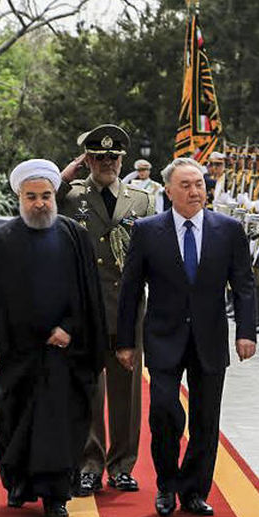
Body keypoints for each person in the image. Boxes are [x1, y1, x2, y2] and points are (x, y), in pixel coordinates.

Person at [0, 159, 108, 517]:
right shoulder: (1, 240)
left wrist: (70, 328)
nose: (40, 203)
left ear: (54, 196)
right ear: (19, 197)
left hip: (62, 351)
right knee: (12, 420)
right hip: (15, 353)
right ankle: (19, 484)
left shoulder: (73, 236)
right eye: (32, 197)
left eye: (46, 196)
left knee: (57, 425)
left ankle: (55, 495)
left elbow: (87, 292)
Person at [116, 157, 256, 517]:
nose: (195, 191)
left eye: (199, 184)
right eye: (186, 185)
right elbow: (131, 289)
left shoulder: (228, 229)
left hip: (209, 337)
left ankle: (194, 490)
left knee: (206, 420)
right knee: (164, 411)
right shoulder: (148, 230)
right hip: (163, 336)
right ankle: (166, 484)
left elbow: (243, 286)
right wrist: (125, 341)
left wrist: (246, 332)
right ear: (169, 191)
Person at [57, 124, 154, 497]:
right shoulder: (73, 196)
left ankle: (123, 465)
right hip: (87, 308)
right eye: (99, 157)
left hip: (128, 307)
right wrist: (68, 173)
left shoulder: (141, 199)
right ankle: (89, 464)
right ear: (88, 160)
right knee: (89, 390)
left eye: (113, 157)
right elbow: (39, 195)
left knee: (127, 390)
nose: (107, 163)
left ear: (122, 160)